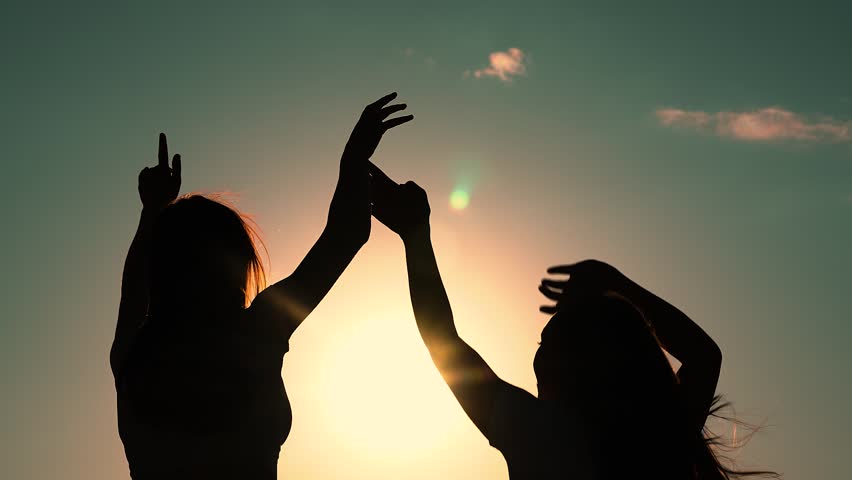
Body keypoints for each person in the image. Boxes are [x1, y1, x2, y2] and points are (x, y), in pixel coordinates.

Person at [368, 163, 778, 479]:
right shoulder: (660, 435)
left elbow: (443, 341)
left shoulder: (541, 436)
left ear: (579, 364)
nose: (538, 353)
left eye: (548, 343)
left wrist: (416, 235)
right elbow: (704, 356)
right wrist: (617, 284)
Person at [110, 94, 413, 479]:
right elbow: (346, 234)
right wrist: (353, 159)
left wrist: (151, 210)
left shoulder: (133, 354)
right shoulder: (255, 333)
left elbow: (134, 291)